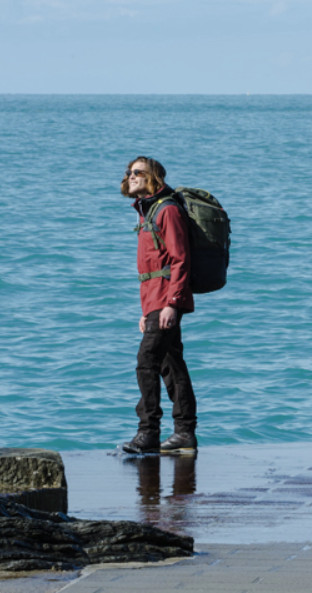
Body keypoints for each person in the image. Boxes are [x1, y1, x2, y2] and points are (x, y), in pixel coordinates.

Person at [120, 157, 198, 455]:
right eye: (129, 173)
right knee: (171, 364)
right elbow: (152, 268)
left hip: (167, 299)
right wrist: (146, 311)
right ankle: (184, 434)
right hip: (155, 301)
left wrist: (172, 305)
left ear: (153, 177)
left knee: (146, 361)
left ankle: (148, 433)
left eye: (138, 172)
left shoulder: (167, 210)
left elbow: (180, 260)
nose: (131, 176)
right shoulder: (147, 212)